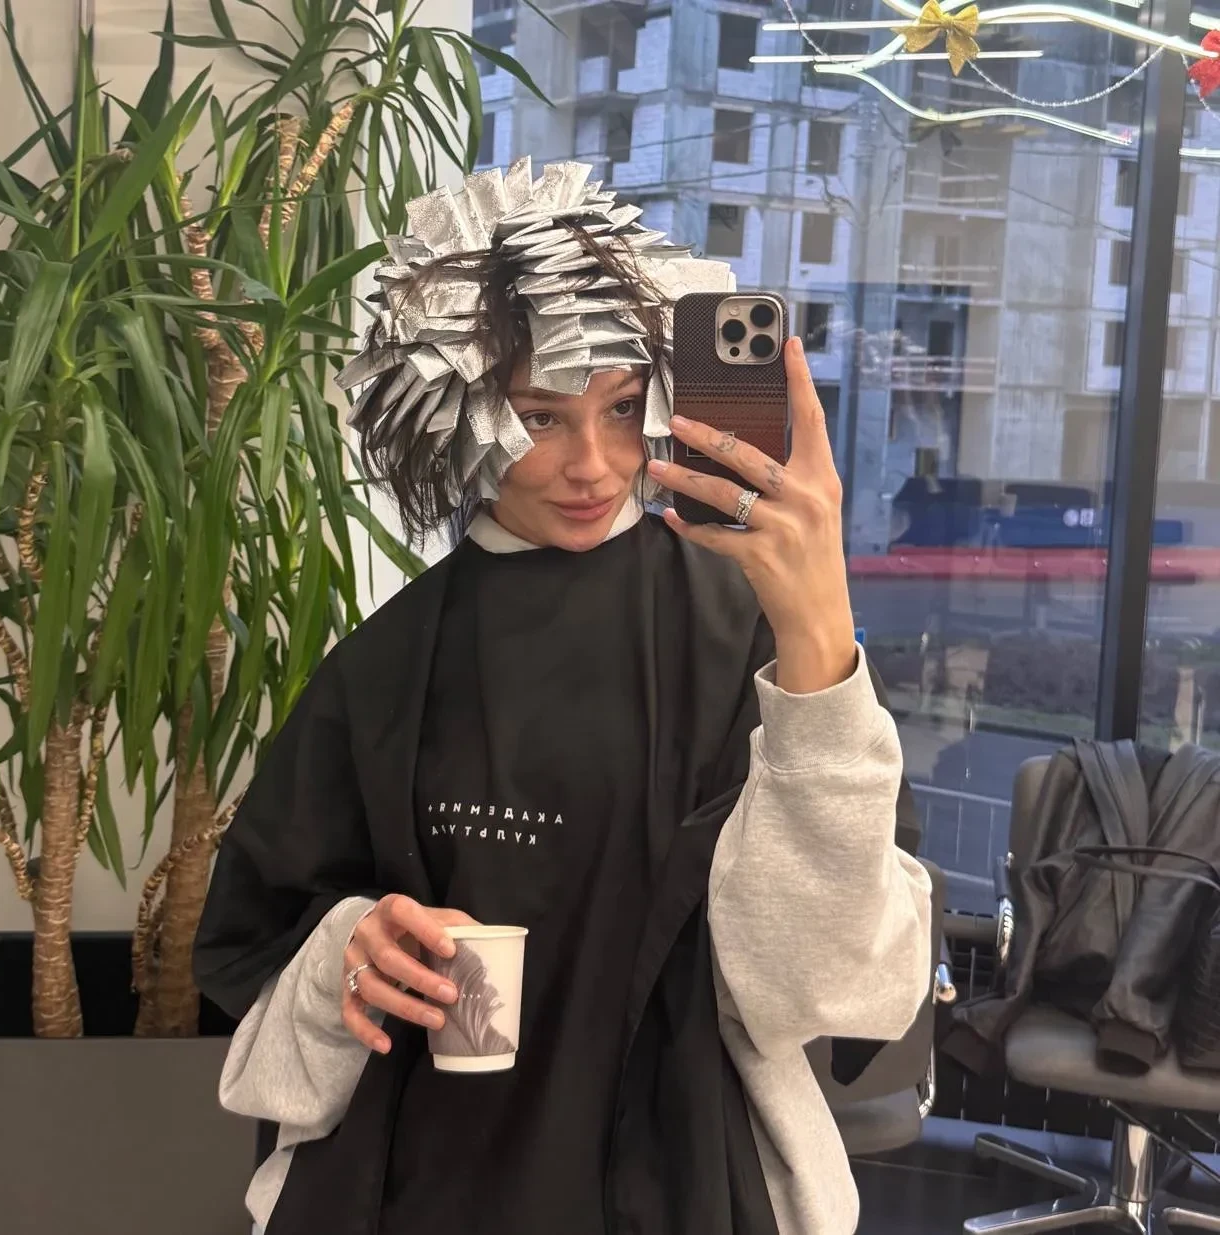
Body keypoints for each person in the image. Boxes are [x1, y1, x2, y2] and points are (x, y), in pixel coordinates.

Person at [193, 158, 932, 1235]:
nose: (593, 464)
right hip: (418, 1181)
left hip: (685, 1179)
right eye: (538, 418)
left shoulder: (751, 636)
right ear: (451, 413)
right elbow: (263, 927)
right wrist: (352, 944)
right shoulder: (386, 663)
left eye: (624, 408)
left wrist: (819, 643)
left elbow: (830, 982)